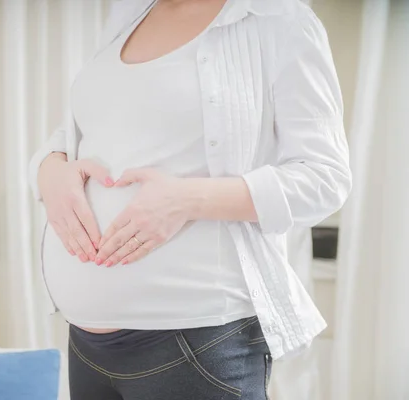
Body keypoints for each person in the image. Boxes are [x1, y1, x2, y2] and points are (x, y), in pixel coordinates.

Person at [29, 0, 351, 398]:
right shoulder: (128, 15)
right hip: (87, 346)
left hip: (196, 345)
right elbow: (84, 128)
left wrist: (185, 199)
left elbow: (324, 178)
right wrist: (49, 170)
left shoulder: (280, 21)